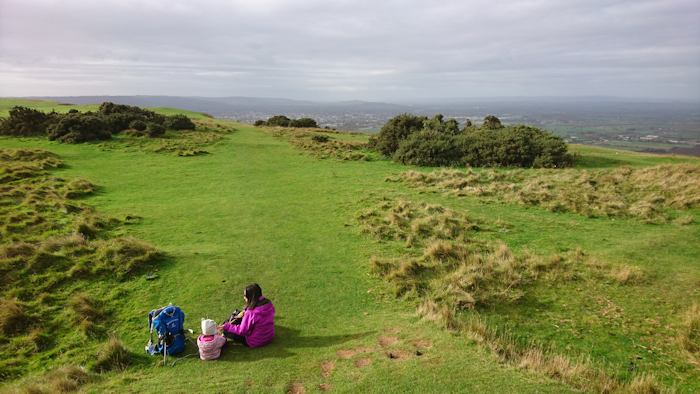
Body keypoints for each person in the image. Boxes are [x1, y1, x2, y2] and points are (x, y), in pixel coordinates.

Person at [217, 283, 275, 348]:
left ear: (251, 297)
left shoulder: (250, 312)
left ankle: (223, 334)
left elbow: (242, 331)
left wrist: (226, 327)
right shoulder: (269, 304)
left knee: (227, 331)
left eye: (245, 296)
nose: (244, 298)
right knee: (239, 315)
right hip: (269, 337)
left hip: (255, 341)